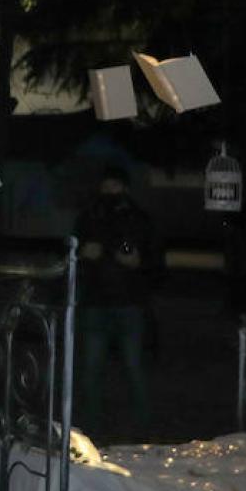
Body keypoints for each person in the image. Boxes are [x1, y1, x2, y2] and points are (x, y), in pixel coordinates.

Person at [73, 165, 159, 438]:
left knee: (134, 368)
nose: (110, 191)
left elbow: (155, 261)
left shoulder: (139, 219)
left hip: (129, 303)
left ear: (125, 188)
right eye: (106, 186)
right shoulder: (89, 215)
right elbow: (74, 252)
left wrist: (137, 261)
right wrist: (84, 253)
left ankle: (144, 428)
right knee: (90, 370)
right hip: (96, 303)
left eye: (115, 186)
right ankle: (91, 428)